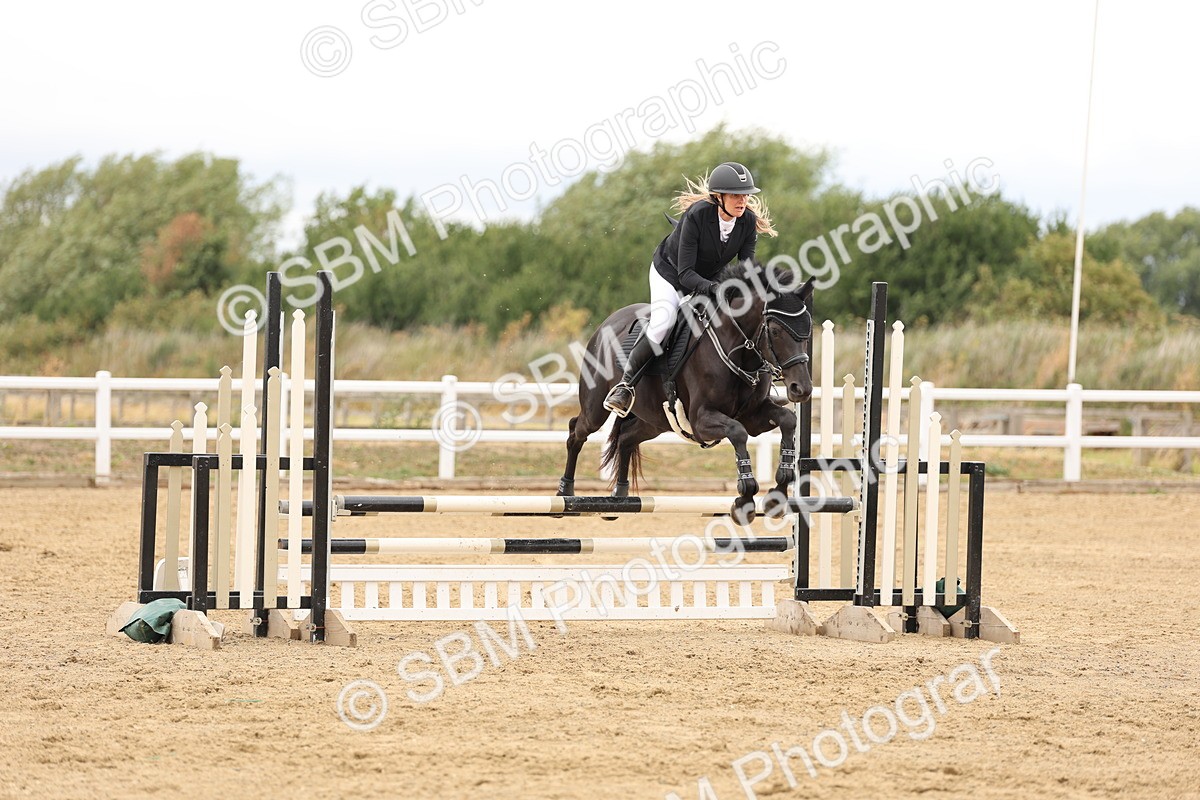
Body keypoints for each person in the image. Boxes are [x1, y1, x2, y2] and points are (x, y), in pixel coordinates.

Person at [603, 161, 778, 417]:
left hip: (709, 276)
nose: (742, 201)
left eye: (745, 195)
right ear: (718, 197)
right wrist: (716, 288)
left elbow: (746, 268)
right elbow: (685, 274)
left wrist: (758, 292)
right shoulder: (697, 215)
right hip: (671, 273)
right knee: (664, 321)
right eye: (735, 195)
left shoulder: (747, 221)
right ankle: (625, 385)